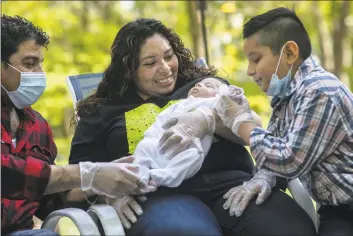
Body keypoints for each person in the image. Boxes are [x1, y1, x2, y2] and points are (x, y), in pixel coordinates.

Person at [69, 18, 316, 235]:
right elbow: (76, 182)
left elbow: (251, 127)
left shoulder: (204, 86)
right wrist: (106, 195)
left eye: (168, 56)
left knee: (292, 228)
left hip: (233, 185)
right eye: (150, 63)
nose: (165, 68)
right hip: (161, 196)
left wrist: (206, 119)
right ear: (129, 69)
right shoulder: (101, 112)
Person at [190, 7, 353, 236]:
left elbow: (288, 159)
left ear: (289, 54)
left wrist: (241, 122)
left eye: (256, 59)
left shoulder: (320, 91)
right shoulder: (286, 98)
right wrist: (264, 179)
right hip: (335, 210)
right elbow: (274, 151)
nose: (249, 71)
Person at [1, 15, 155, 236]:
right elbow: (7, 173)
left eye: (40, 63)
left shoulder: (37, 126)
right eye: (29, 63)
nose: (40, 73)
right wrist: (87, 173)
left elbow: (49, 199)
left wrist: (102, 185)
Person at [132, 77, 262, 188]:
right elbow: (161, 120)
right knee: (144, 147)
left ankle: (168, 176)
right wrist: (151, 136)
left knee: (192, 155)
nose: (199, 84)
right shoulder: (179, 105)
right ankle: (140, 176)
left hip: (191, 145)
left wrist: (225, 96)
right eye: (197, 84)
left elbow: (242, 110)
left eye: (208, 85)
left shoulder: (214, 103)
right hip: (164, 142)